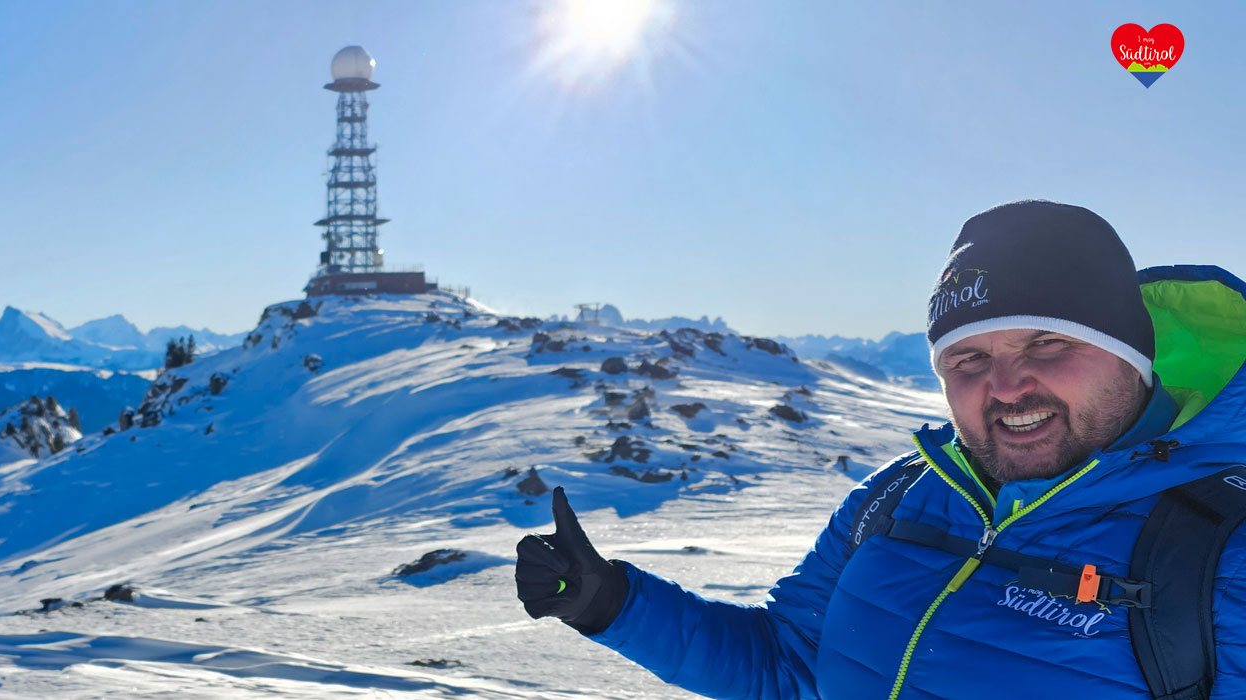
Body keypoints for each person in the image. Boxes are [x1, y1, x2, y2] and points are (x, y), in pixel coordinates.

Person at [515, 200, 1246, 699]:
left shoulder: (1225, 553)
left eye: (1047, 343)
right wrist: (614, 603)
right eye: (967, 361)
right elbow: (787, 664)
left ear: (1135, 356)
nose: (1007, 386)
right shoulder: (901, 498)